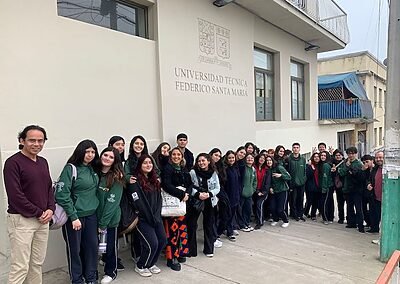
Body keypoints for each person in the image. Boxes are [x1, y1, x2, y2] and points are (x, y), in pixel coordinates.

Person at [3, 125, 55, 284]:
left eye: (40, 141)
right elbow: (15, 196)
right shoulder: (13, 163)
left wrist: (51, 209)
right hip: (22, 220)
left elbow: (49, 188)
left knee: (36, 264)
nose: (36, 144)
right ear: (22, 141)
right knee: (20, 266)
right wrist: (39, 212)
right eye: (32, 140)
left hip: (43, 219)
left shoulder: (43, 162)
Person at [56, 140, 100, 284]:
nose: (90, 155)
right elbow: (62, 194)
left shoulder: (94, 169)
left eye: (93, 152)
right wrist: (73, 216)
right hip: (74, 217)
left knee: (92, 247)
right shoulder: (71, 168)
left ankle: (91, 277)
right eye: (87, 151)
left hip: (92, 215)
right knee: (75, 250)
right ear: (80, 151)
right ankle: (77, 279)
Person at [127, 154, 166, 277]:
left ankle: (151, 263)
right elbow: (138, 203)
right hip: (143, 219)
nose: (148, 165)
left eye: (150, 163)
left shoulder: (155, 181)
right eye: (145, 163)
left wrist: (157, 215)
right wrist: (149, 217)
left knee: (162, 241)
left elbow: (159, 200)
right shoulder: (134, 182)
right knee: (151, 244)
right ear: (140, 165)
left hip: (156, 217)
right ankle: (141, 265)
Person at [95, 147, 125, 284]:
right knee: (95, 247)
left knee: (110, 247)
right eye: (105, 155)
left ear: (115, 161)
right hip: (93, 218)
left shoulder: (116, 177)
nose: (107, 158)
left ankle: (110, 272)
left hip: (110, 220)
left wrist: (103, 223)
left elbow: (112, 203)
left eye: (111, 157)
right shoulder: (94, 173)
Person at [160, 147, 192, 271]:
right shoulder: (167, 169)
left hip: (182, 205)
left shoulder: (184, 168)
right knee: (172, 232)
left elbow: (190, 184)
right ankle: (171, 258)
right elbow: (166, 185)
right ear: (170, 156)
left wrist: (187, 194)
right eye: (174, 154)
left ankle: (180, 253)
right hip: (172, 206)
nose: (176, 156)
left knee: (181, 229)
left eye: (178, 154)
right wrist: (181, 194)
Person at [187, 153, 220, 257]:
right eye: (199, 161)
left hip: (209, 201)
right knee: (192, 224)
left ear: (208, 161)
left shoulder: (213, 173)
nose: (201, 163)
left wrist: (209, 194)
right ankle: (191, 250)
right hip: (196, 201)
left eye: (203, 160)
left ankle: (209, 249)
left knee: (209, 225)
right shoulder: (193, 172)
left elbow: (217, 188)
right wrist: (197, 194)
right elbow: (189, 186)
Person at [124, 135, 149, 261]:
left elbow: (156, 172)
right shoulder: (129, 161)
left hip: (148, 195)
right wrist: (129, 178)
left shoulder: (148, 159)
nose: (139, 146)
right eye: (136, 143)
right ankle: (137, 253)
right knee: (136, 226)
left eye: (141, 144)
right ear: (132, 145)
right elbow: (125, 175)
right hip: (135, 197)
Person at [337, 147, 365, 233]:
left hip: (356, 189)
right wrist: (346, 166)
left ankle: (360, 225)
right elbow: (341, 172)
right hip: (347, 188)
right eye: (349, 153)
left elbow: (359, 175)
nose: (351, 155)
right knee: (349, 207)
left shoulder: (359, 164)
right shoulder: (345, 162)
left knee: (358, 208)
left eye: (352, 153)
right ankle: (351, 223)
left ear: (355, 154)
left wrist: (349, 168)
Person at [209, 148, 227, 248]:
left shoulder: (220, 167)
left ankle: (216, 234)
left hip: (220, 193)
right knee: (212, 218)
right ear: (211, 155)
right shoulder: (208, 166)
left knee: (222, 215)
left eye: (219, 156)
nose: (217, 157)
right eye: (216, 155)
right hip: (211, 195)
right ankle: (213, 237)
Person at [223, 150, 242, 241]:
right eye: (229, 158)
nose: (231, 159)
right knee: (227, 215)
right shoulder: (225, 169)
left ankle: (229, 230)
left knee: (231, 215)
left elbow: (238, 182)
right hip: (228, 196)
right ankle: (228, 231)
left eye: (233, 158)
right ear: (226, 158)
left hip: (235, 196)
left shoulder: (235, 168)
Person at [287, 143, 307, 222]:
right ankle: (294, 215)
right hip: (292, 183)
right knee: (293, 200)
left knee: (301, 199)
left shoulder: (303, 159)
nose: (295, 149)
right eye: (294, 147)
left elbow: (305, 171)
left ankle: (300, 214)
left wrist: (304, 179)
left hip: (301, 183)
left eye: (297, 147)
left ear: (299, 149)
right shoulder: (289, 159)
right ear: (292, 149)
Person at [269, 157, 291, 227]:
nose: (268, 162)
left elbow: (289, 177)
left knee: (280, 209)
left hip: (282, 190)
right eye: (267, 161)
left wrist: (281, 175)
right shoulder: (268, 170)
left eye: (270, 160)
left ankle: (286, 221)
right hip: (274, 191)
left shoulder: (279, 167)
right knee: (272, 207)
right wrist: (270, 187)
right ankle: (276, 219)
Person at [238, 153, 256, 232]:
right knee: (241, 210)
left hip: (249, 194)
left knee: (248, 210)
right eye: (248, 158)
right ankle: (242, 225)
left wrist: (253, 189)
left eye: (252, 158)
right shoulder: (243, 168)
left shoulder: (253, 169)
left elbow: (255, 181)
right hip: (242, 194)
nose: (250, 159)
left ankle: (247, 223)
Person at [253, 155, 272, 230]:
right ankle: (259, 218)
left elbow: (268, 182)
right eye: (260, 158)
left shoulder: (267, 170)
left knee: (259, 204)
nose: (262, 159)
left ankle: (260, 222)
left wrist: (263, 192)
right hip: (255, 190)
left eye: (263, 159)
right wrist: (256, 191)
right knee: (255, 206)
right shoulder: (254, 168)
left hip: (263, 191)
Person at [368, 151, 384, 234]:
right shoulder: (375, 169)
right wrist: (369, 184)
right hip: (376, 196)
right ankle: (374, 228)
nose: (378, 159)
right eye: (377, 158)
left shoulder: (388, 169)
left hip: (387, 198)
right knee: (375, 214)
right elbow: (370, 179)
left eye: (380, 157)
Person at [305, 153, 321, 220]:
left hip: (318, 186)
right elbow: (308, 176)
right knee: (309, 201)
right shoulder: (309, 166)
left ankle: (313, 214)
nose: (316, 158)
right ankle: (305, 212)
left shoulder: (321, 166)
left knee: (316, 202)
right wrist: (312, 169)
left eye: (318, 157)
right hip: (310, 186)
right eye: (315, 157)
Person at [331, 149, 345, 224]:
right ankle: (341, 218)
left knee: (349, 204)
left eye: (339, 155)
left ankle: (349, 219)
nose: (338, 157)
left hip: (345, 186)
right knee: (340, 203)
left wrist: (338, 170)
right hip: (338, 186)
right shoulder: (332, 163)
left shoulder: (345, 163)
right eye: (336, 155)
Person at [361, 154, 375, 229]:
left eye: (367, 161)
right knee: (364, 208)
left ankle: (373, 224)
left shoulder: (375, 169)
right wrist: (363, 170)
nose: (365, 164)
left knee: (372, 209)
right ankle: (368, 222)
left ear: (372, 161)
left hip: (373, 192)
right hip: (365, 192)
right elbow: (363, 179)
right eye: (364, 162)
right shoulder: (365, 170)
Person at [319, 151, 333, 224]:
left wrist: (324, 188)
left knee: (324, 203)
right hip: (329, 186)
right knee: (329, 202)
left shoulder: (325, 165)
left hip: (327, 187)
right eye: (321, 155)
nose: (323, 157)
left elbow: (325, 177)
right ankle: (330, 217)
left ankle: (325, 218)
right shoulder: (324, 164)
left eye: (324, 155)